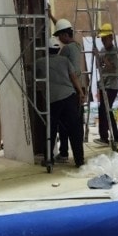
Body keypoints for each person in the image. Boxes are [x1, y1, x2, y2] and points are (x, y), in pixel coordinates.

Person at [36, 37, 85, 167]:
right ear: (58, 50)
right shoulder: (65, 60)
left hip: (53, 99)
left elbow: (35, 78)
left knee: (51, 130)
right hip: (69, 96)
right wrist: (80, 92)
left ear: (46, 49)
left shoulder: (40, 62)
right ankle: (79, 160)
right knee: (74, 129)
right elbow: (73, 77)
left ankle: (48, 159)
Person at [48, 16, 85, 160]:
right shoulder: (77, 45)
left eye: (59, 36)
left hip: (70, 88)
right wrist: (51, 17)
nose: (58, 39)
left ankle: (64, 152)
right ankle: (77, 156)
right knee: (75, 123)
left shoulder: (65, 51)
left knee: (64, 124)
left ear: (64, 34)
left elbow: (67, 69)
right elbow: (63, 27)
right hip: (77, 87)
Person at [94, 23, 118, 147]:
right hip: (103, 85)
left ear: (111, 37)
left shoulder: (114, 52)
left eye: (105, 38)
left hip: (111, 86)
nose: (103, 41)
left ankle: (104, 137)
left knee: (104, 110)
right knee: (107, 111)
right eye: (102, 39)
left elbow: (114, 68)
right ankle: (117, 136)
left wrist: (104, 59)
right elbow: (99, 66)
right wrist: (98, 58)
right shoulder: (102, 50)